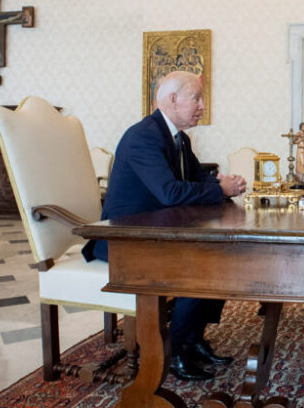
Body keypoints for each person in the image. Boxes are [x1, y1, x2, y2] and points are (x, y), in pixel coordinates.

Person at [82, 71, 246, 382]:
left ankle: (193, 340)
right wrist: (218, 190)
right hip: (123, 241)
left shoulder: (179, 138)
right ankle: (175, 351)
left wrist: (223, 183)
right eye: (196, 98)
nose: (202, 106)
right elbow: (169, 192)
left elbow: (198, 179)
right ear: (172, 99)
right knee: (200, 268)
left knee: (221, 257)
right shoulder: (143, 136)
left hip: (153, 236)